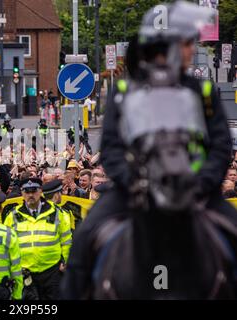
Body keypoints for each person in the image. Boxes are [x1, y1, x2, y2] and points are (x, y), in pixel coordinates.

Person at [61, 1, 237, 299]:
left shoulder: (202, 91)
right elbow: (112, 147)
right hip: (134, 191)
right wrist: (132, 182)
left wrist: (202, 183)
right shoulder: (125, 92)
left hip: (194, 189)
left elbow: (220, 145)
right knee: (84, 239)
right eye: (182, 44)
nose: (188, 50)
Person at [3, 178, 72, 300]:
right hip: (25, 272)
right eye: (26, 192)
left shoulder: (57, 213)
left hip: (52, 271)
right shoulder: (12, 215)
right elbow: (7, 245)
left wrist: (66, 262)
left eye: (34, 191)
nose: (30, 195)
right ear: (22, 193)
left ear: (40, 191)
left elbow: (66, 240)